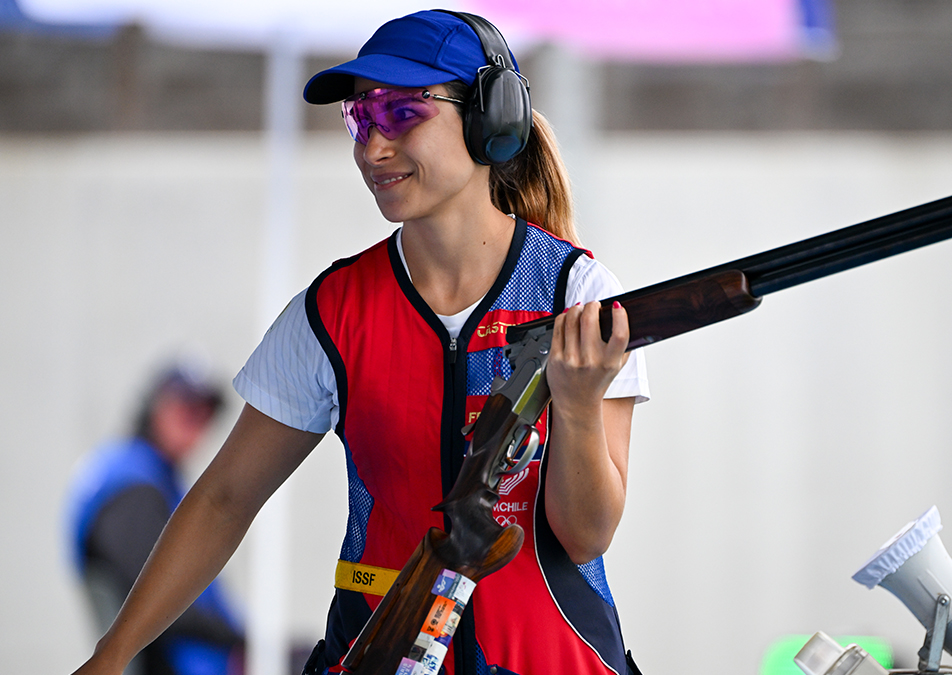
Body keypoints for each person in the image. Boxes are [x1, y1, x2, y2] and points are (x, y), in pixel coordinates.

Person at [72, 9, 649, 675]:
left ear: (490, 117)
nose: (374, 148)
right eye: (361, 118)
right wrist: (109, 657)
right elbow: (224, 500)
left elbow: (586, 536)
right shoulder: (331, 312)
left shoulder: (576, 291)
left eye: (403, 113)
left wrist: (576, 406)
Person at [67, 363, 244, 675]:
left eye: (204, 413)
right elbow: (157, 596)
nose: (195, 422)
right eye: (185, 406)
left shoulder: (155, 477)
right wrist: (245, 640)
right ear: (155, 405)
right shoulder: (133, 482)